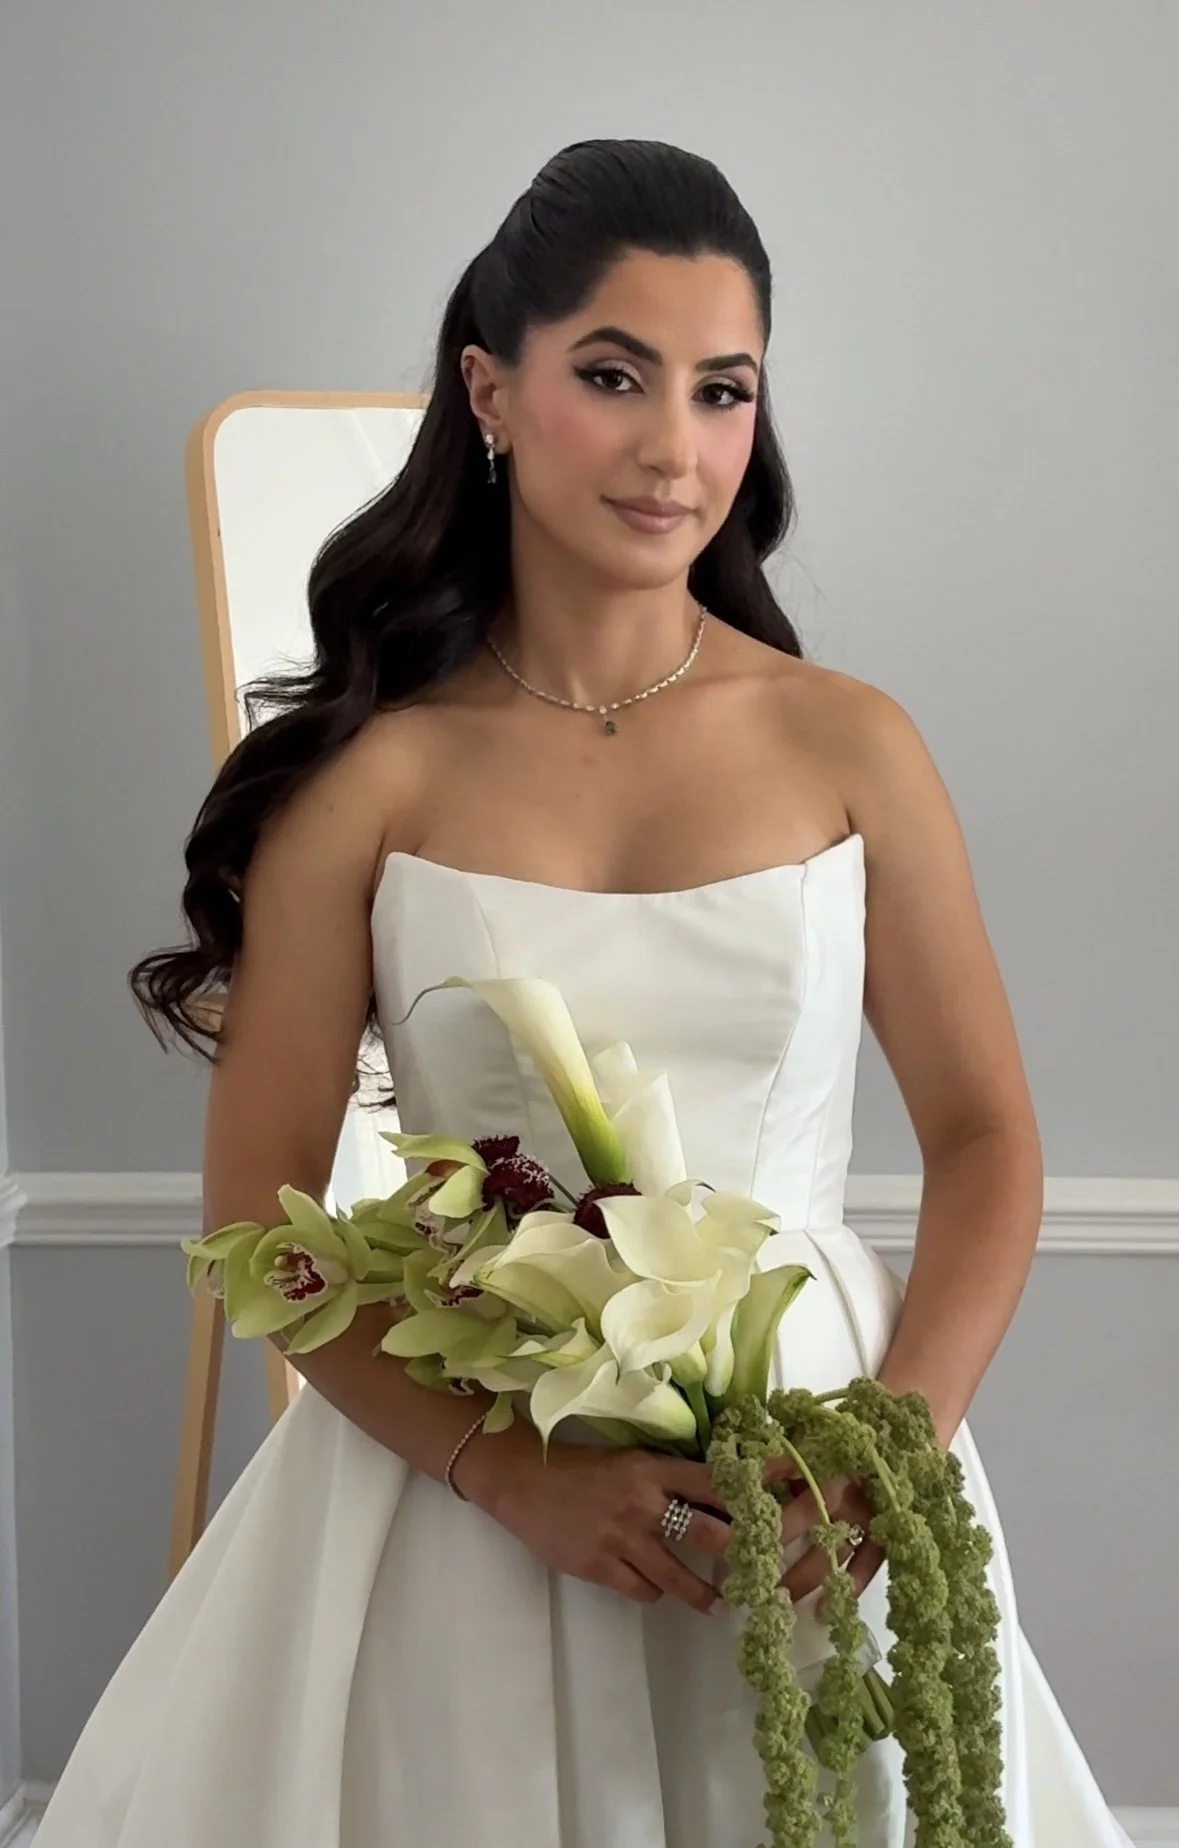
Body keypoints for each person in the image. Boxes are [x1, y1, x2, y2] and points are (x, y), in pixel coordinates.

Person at [35, 138, 1132, 1848]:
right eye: (612, 376)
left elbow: (988, 1138)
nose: (669, 447)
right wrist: (512, 1477)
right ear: (491, 387)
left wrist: (889, 1441)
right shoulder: (367, 779)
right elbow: (259, 1208)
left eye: (720, 391)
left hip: (815, 1466)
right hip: (460, 1481)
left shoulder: (852, 744)